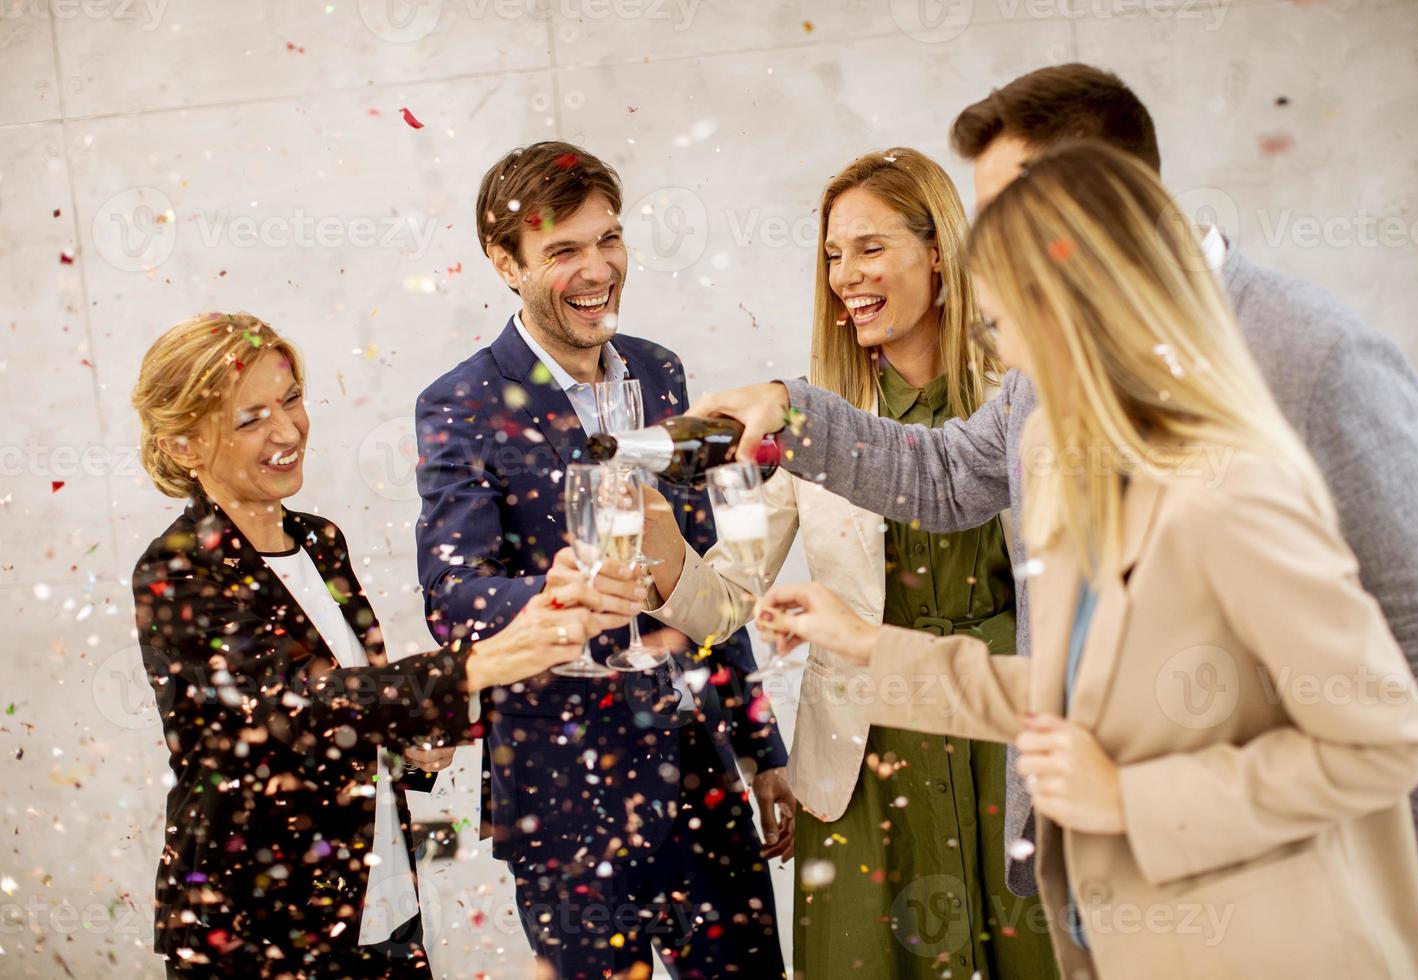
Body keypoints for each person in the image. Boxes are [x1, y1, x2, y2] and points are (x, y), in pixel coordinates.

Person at [689, 63, 1418, 976]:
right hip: (1118, 916)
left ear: (1105, 207)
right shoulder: (1049, 421)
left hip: (1274, 915)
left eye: (1018, 218)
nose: (991, 260)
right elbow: (1053, 654)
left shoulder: (1311, 365)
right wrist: (863, 633)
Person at [636, 147, 1055, 978]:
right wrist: (659, 544)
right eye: (832, 255)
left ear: (939, 250)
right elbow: (724, 601)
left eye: (869, 248)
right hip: (864, 766)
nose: (844, 276)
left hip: (1007, 736)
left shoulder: (1023, 393)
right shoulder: (803, 417)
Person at [130, 312, 632, 977]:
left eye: (290, 400)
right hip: (260, 933)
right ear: (185, 446)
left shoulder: (321, 542)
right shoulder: (177, 570)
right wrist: (477, 665)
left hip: (379, 909)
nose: (286, 431)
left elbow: (361, 716)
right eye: (249, 419)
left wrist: (419, 754)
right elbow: (296, 711)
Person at [413, 141, 793, 979]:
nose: (598, 269)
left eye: (608, 239)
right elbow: (451, 594)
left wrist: (761, 749)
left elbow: (704, 571)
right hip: (560, 790)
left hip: (696, 768)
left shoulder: (661, 372)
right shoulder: (460, 403)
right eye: (563, 251)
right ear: (504, 263)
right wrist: (549, 594)